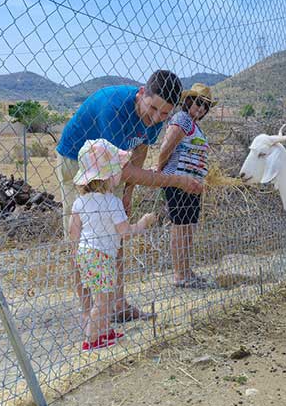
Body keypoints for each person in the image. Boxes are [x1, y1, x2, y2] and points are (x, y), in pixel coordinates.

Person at [56, 70, 203, 323]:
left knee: (115, 234)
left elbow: (140, 148)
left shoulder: (156, 117)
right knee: (83, 238)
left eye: (165, 113)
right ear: (141, 93)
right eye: (153, 108)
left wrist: (128, 193)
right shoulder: (113, 109)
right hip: (77, 163)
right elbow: (122, 170)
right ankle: (89, 313)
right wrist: (176, 181)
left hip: (109, 169)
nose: (156, 117)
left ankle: (118, 304)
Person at [69, 139, 156, 350]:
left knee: (104, 296)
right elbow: (125, 232)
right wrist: (143, 223)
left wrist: (77, 253)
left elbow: (73, 232)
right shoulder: (112, 202)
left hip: (85, 254)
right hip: (102, 256)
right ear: (109, 175)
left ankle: (105, 331)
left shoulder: (80, 202)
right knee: (103, 300)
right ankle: (91, 339)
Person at [155, 83, 215, 288]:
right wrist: (159, 171)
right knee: (180, 227)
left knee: (188, 228)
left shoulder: (194, 125)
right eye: (198, 102)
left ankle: (186, 271)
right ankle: (180, 275)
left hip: (193, 184)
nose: (201, 108)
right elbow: (167, 147)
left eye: (205, 106)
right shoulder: (181, 119)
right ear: (188, 101)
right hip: (178, 181)